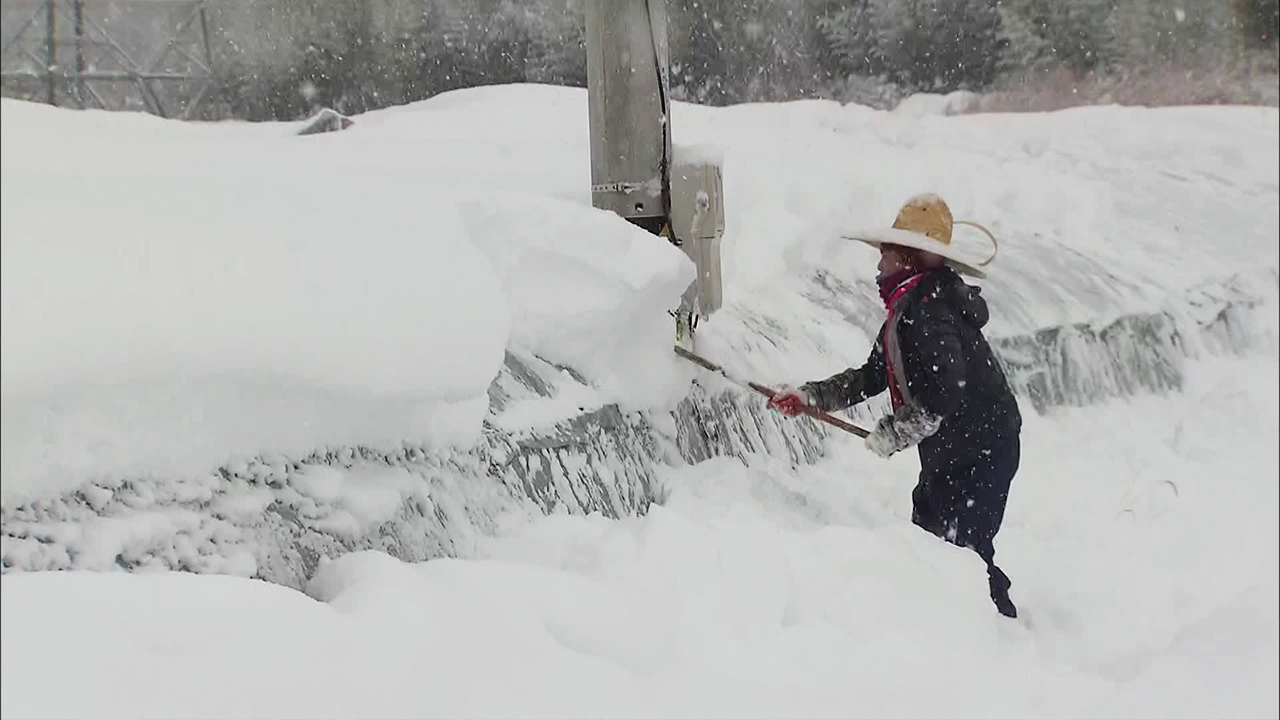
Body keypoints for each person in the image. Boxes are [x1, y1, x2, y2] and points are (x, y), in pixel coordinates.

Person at [768, 194, 1023, 618]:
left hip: (983, 450)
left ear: (909, 259)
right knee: (930, 540)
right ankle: (948, 628)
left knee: (964, 551)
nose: (877, 267)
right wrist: (810, 395)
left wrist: (894, 432)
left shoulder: (932, 312)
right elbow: (870, 376)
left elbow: (948, 392)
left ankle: (995, 631)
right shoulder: (908, 311)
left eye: (884, 256)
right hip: (955, 449)